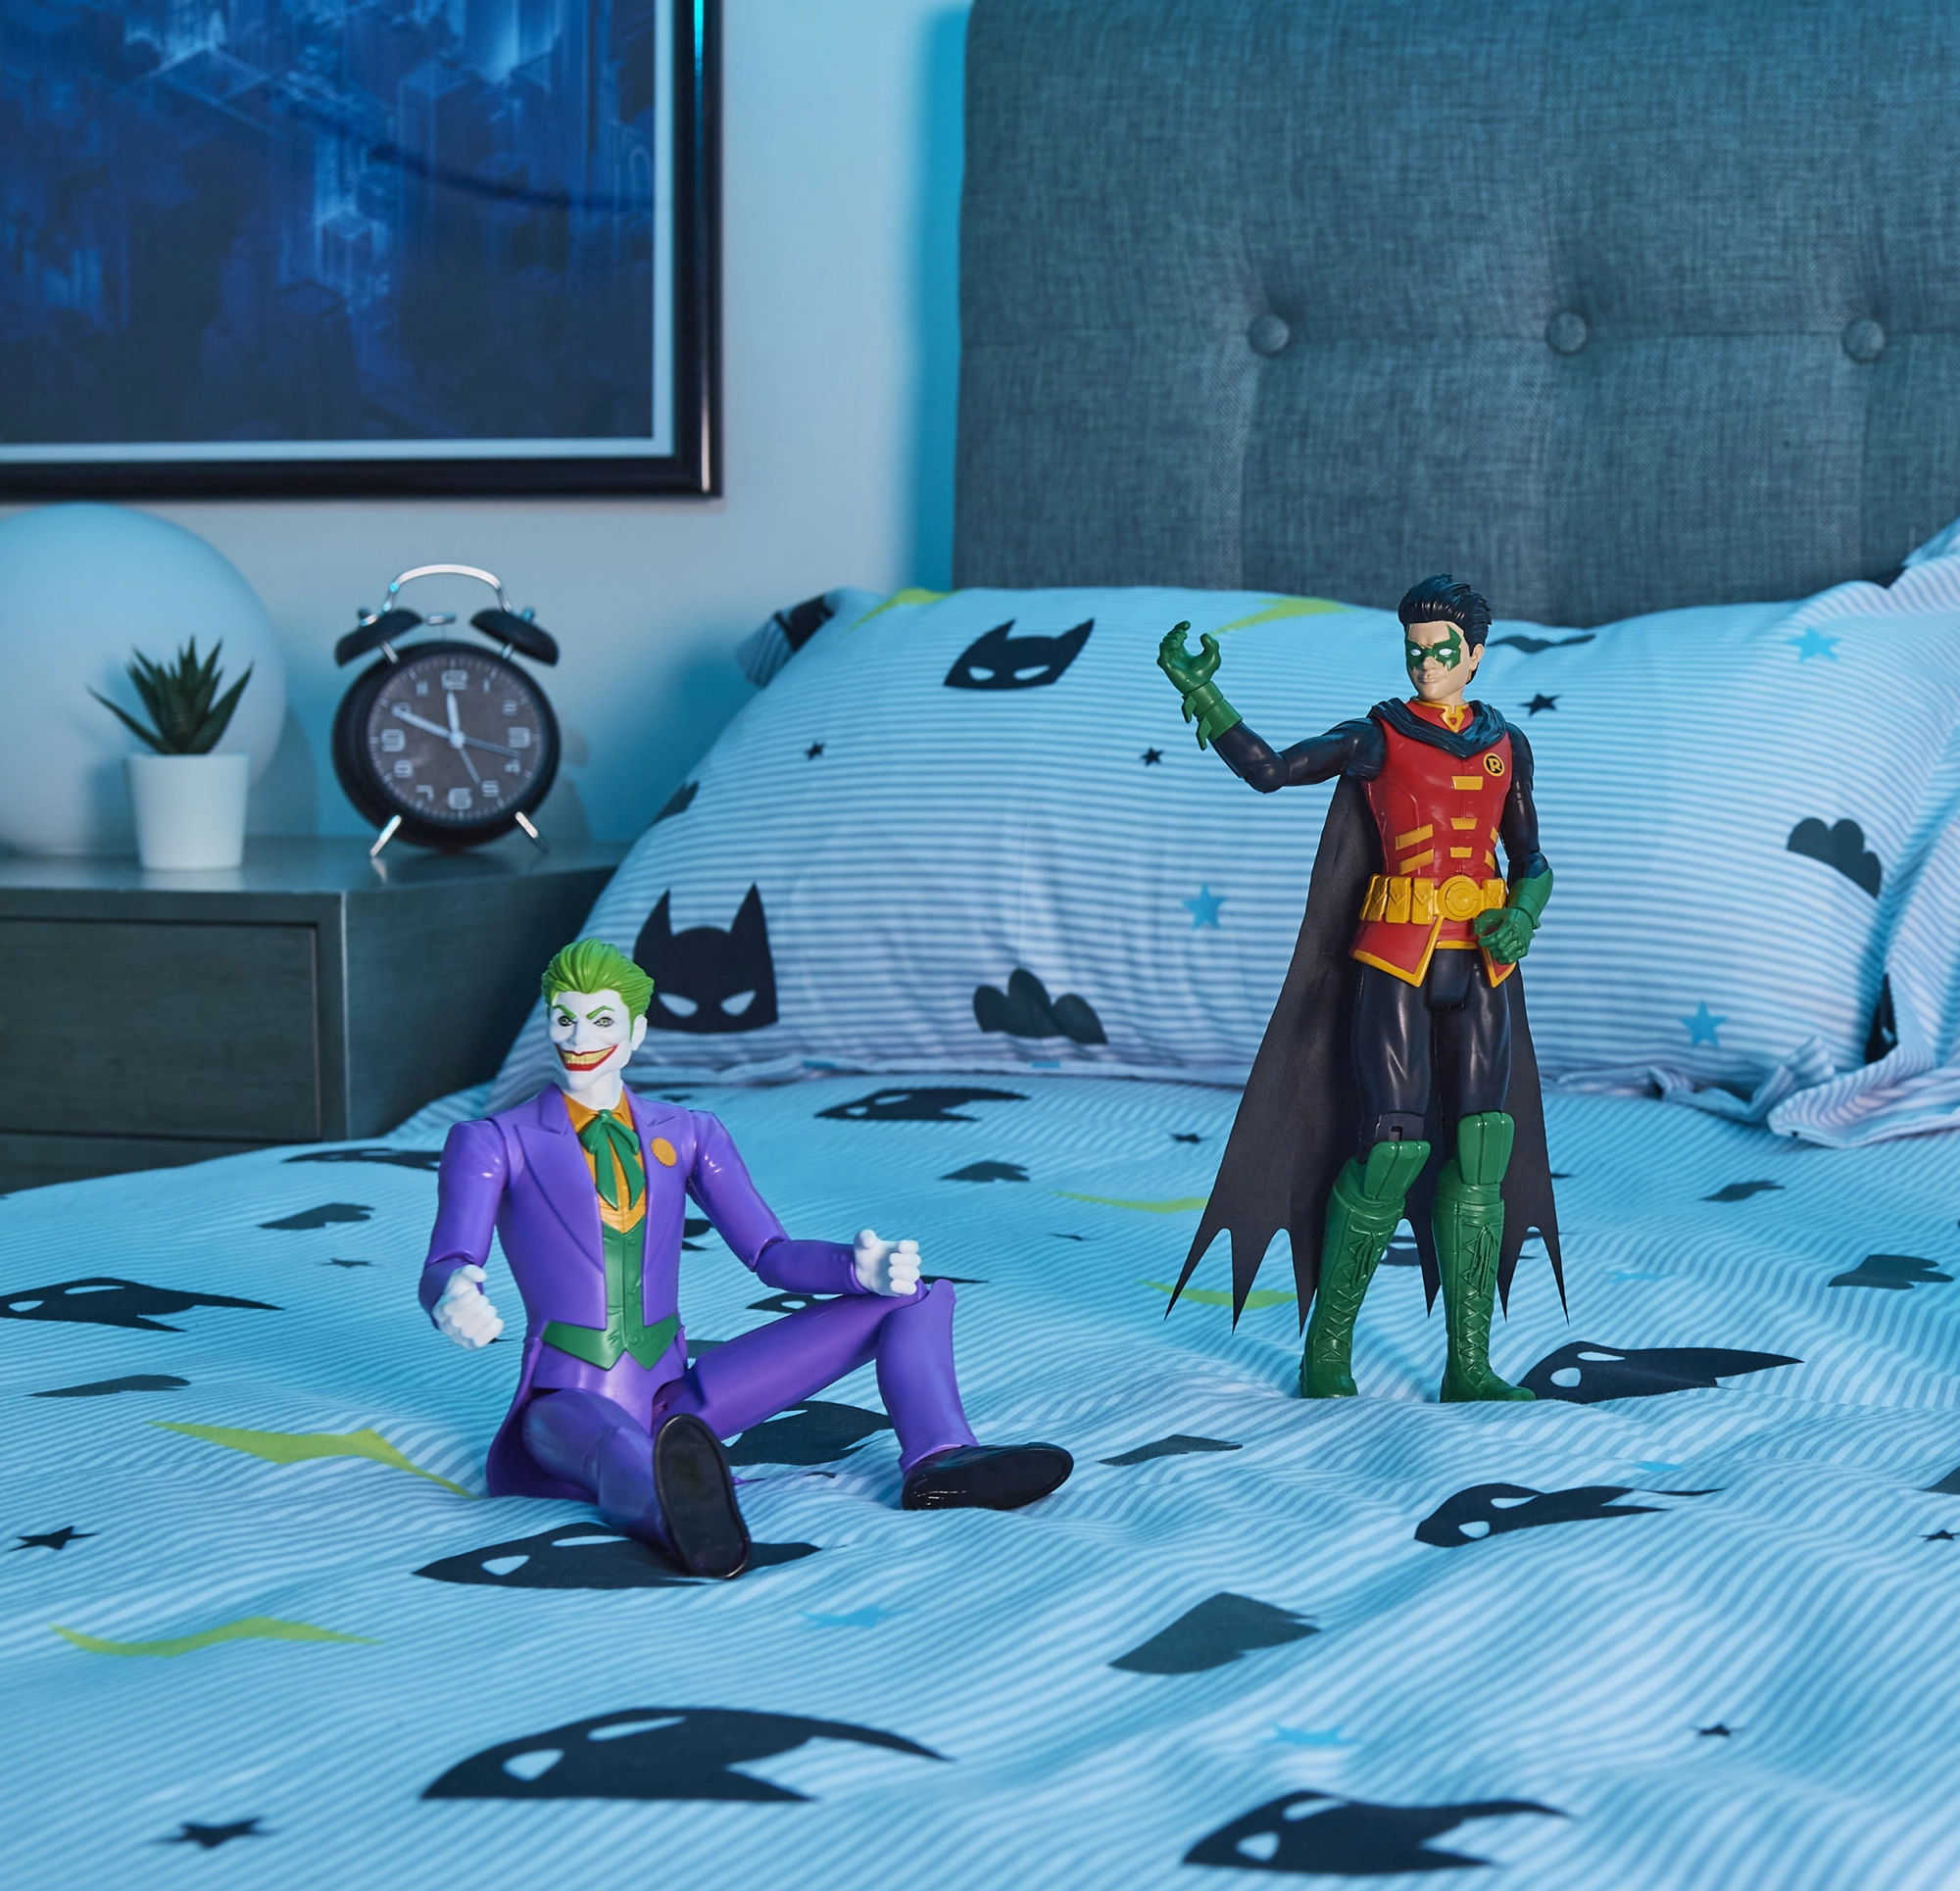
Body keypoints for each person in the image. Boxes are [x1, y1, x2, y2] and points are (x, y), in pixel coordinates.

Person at [419, 939, 1072, 1576]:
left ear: (636, 1032)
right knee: (619, 1446)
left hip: (674, 1398)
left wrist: (855, 1269)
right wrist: (454, 1294)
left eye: (601, 1020)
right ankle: (674, 1510)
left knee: (911, 1298)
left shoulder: (690, 1132)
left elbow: (768, 1252)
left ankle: (941, 1460)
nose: (579, 1036)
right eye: (564, 1018)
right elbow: (450, 1259)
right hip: (565, 1402)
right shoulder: (493, 1141)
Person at [1155, 574, 1564, 1403]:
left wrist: (1522, 914)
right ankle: (1327, 1354)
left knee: (1483, 1145)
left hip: (1481, 964)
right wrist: (1204, 694)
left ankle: (1470, 1367)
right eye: (1414, 650)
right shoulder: (1377, 736)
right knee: (1392, 1150)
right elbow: (1272, 771)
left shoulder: (1507, 744)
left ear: (1475, 656)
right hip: (1398, 961)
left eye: (1441, 650)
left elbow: (1532, 860)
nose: (1425, 664)